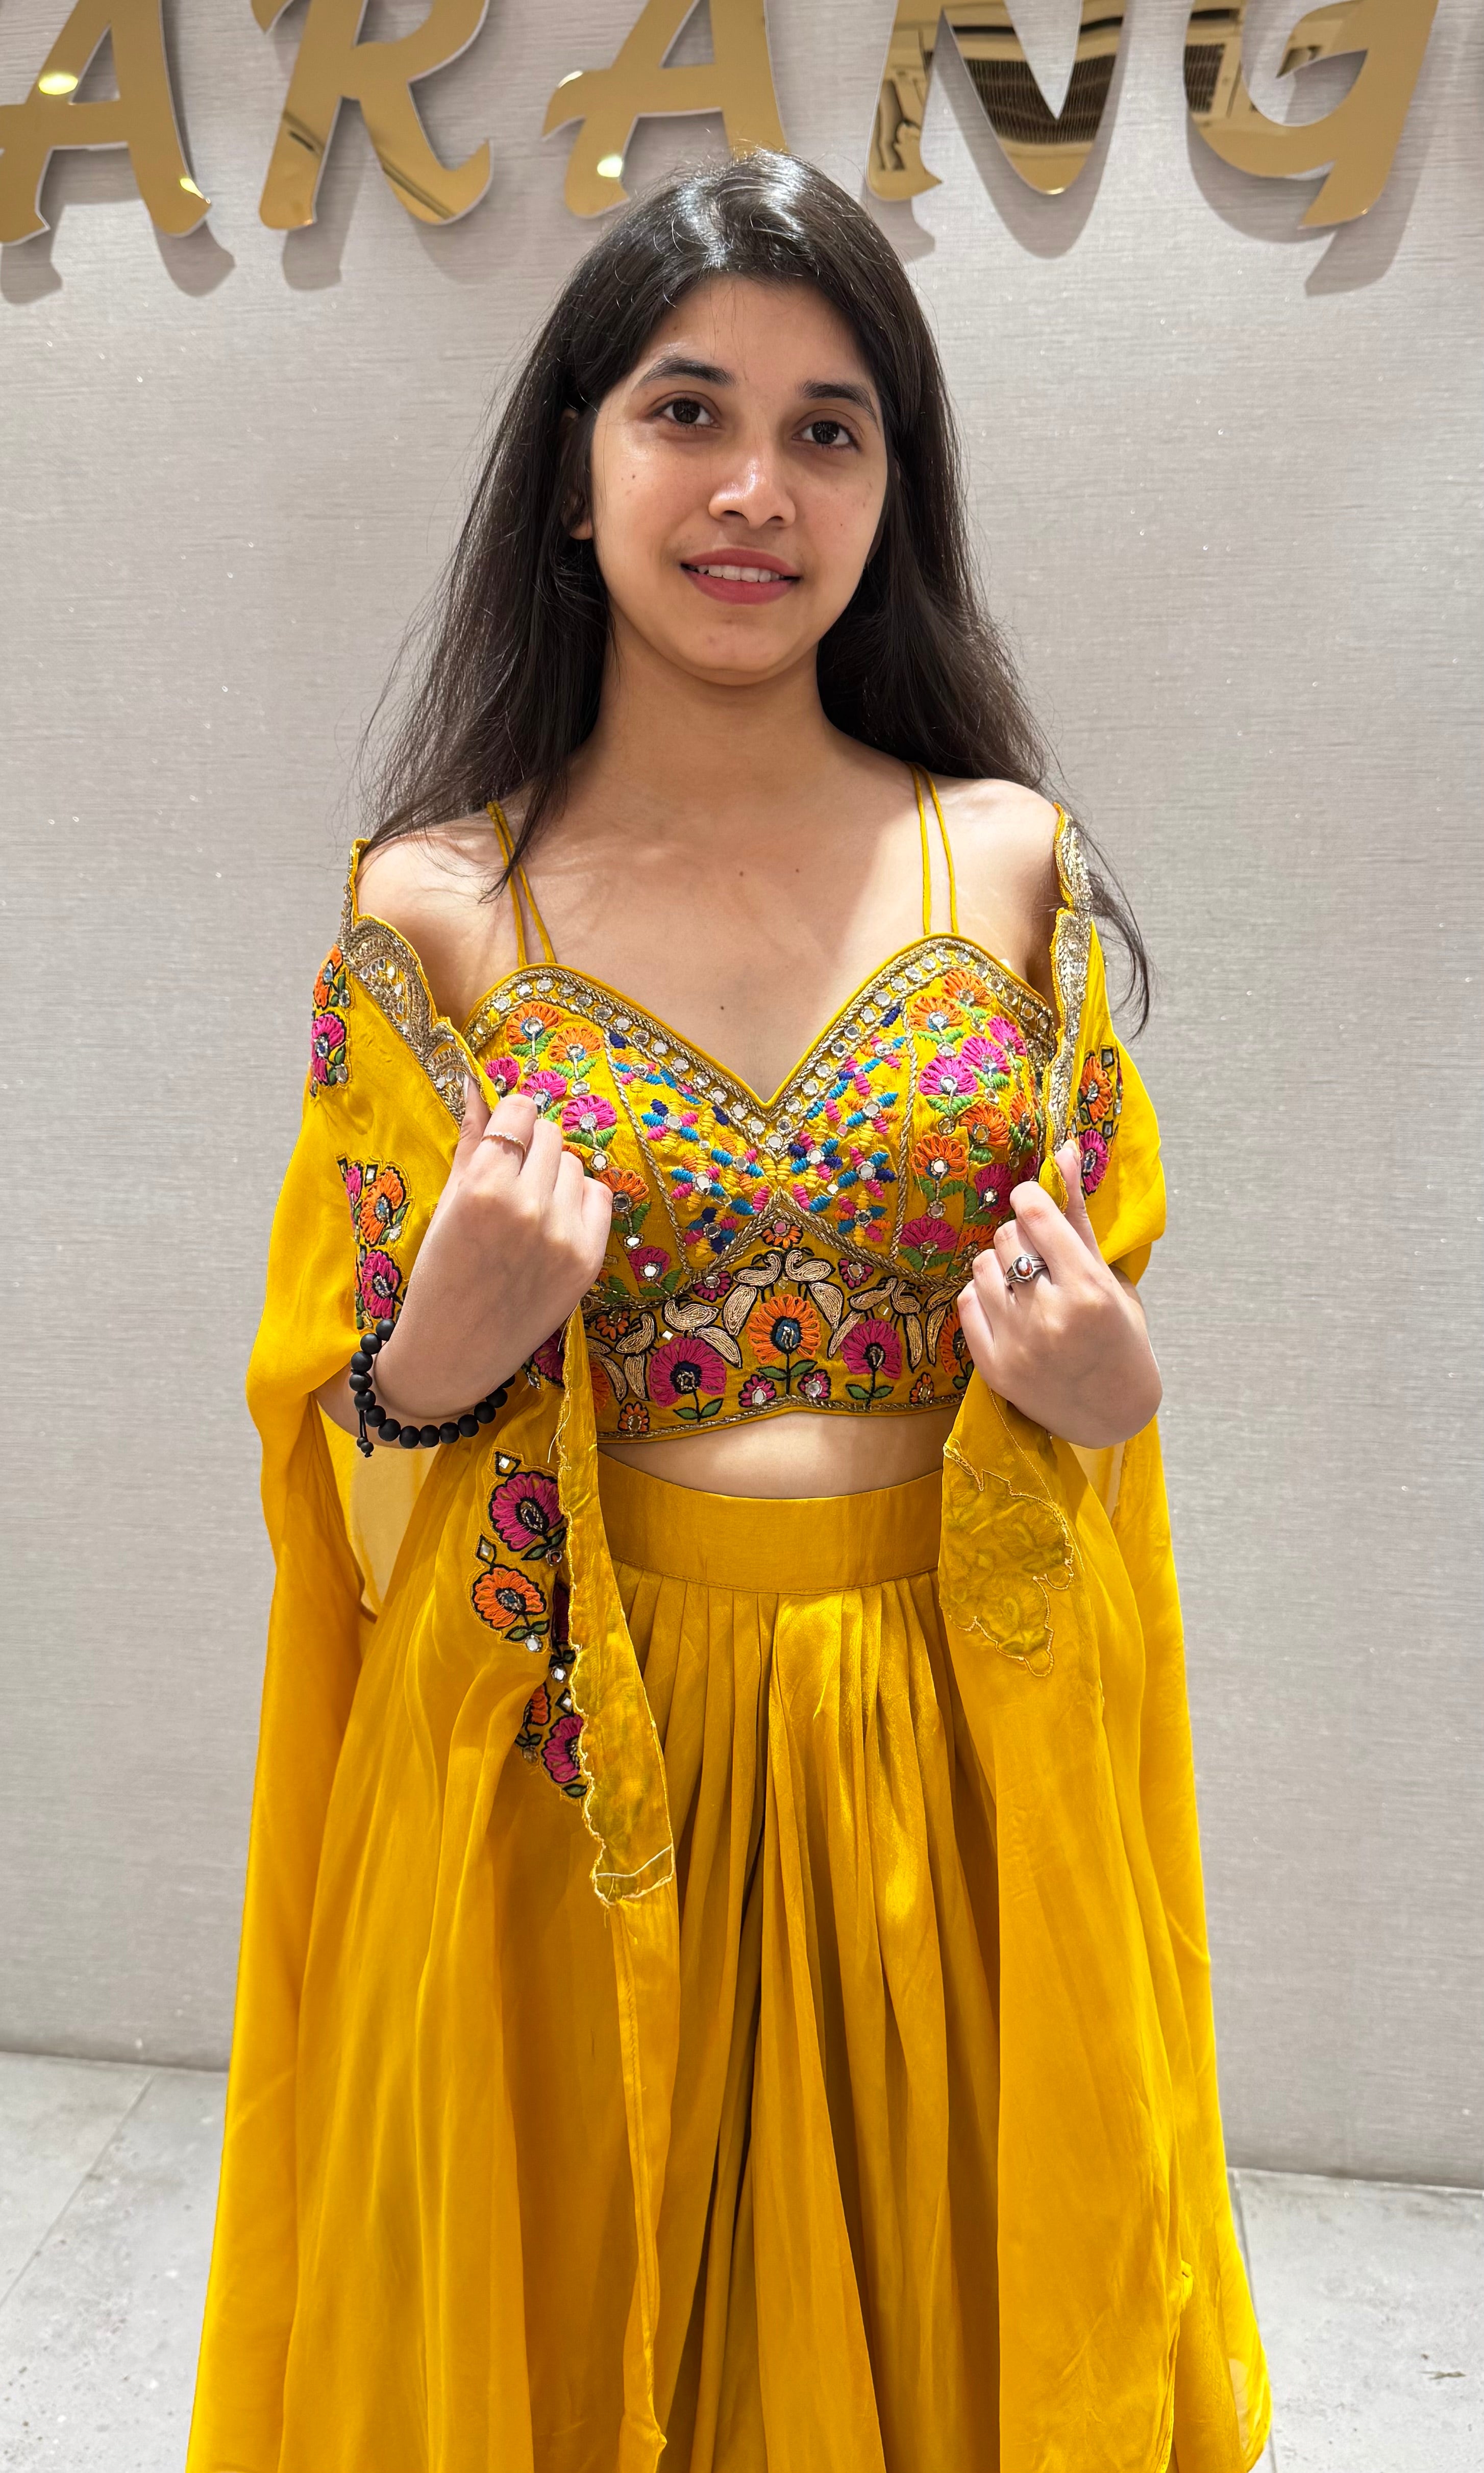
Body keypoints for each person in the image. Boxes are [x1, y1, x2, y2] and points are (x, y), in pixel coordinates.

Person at [186, 152, 1270, 2473]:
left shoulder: (1003, 868)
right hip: (573, 1783)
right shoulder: (441, 911)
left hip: (945, 1774)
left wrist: (1112, 1389)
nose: (753, 488)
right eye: (688, 413)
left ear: (897, 488)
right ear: (576, 475)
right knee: (580, 2349)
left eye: (829, 427)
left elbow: (1098, 1308)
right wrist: (432, 1360)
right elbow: (339, 1454)